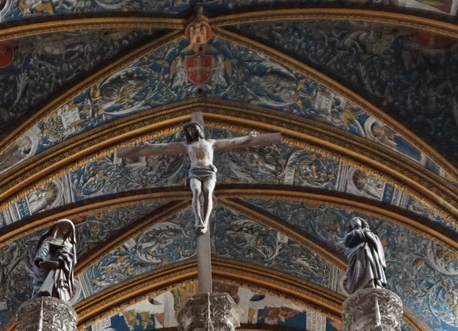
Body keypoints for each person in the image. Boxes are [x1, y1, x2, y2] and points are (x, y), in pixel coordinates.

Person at [115, 120, 282, 233]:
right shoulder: (187, 145)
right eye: (189, 130)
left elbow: (232, 142)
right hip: (194, 172)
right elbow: (167, 147)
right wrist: (151, 145)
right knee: (196, 192)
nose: (192, 131)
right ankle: (198, 220)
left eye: (193, 128)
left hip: (209, 171)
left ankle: (205, 220)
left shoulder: (211, 142)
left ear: (198, 129)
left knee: (207, 193)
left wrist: (249, 137)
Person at [342, 217, 388, 294]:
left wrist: (365, 233)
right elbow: (347, 241)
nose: (357, 228)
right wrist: (363, 231)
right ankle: (361, 286)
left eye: (358, 225)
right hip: (356, 257)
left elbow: (377, 245)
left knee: (369, 267)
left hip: (369, 257)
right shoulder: (352, 235)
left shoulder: (370, 234)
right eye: (355, 226)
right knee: (358, 270)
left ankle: (372, 283)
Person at [33, 219, 76, 300]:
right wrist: (40, 261)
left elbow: (66, 255)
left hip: (56, 268)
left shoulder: (67, 244)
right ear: (57, 227)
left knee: (56, 272)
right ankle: (41, 291)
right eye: (63, 227)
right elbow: (43, 250)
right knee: (40, 283)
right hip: (44, 266)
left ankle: (46, 291)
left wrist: (58, 262)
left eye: (67, 229)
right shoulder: (48, 239)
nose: (64, 230)